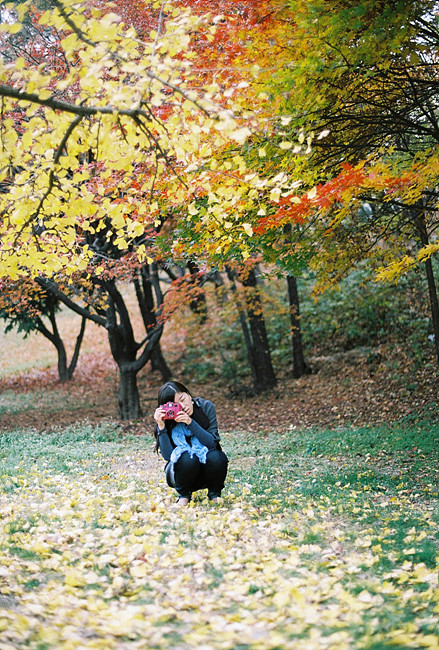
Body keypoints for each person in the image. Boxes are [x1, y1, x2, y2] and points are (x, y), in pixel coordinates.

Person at [153, 381, 228, 507]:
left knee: (217, 456)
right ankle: (184, 496)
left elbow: (212, 444)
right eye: (175, 405)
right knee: (188, 457)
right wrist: (161, 427)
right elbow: (168, 457)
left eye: (182, 399)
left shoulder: (205, 407)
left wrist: (190, 422)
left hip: (207, 469)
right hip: (181, 472)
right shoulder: (167, 417)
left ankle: (214, 494)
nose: (181, 406)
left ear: (188, 394)